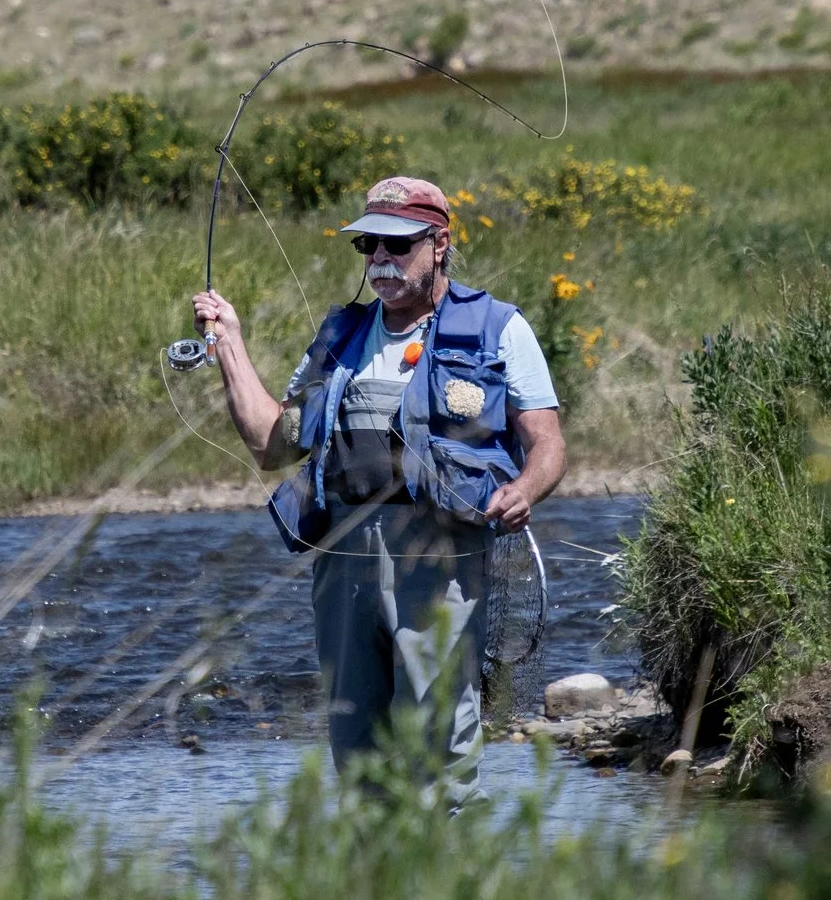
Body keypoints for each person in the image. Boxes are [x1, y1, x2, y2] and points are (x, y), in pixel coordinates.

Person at [190, 174, 565, 788]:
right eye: (369, 247)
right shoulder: (342, 337)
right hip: (343, 564)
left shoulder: (500, 328)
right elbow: (270, 444)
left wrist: (525, 489)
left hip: (440, 560)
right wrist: (229, 342)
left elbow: (547, 443)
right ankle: (370, 878)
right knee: (356, 749)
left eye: (397, 245)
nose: (380, 261)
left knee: (435, 746)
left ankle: (442, 872)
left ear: (439, 243)